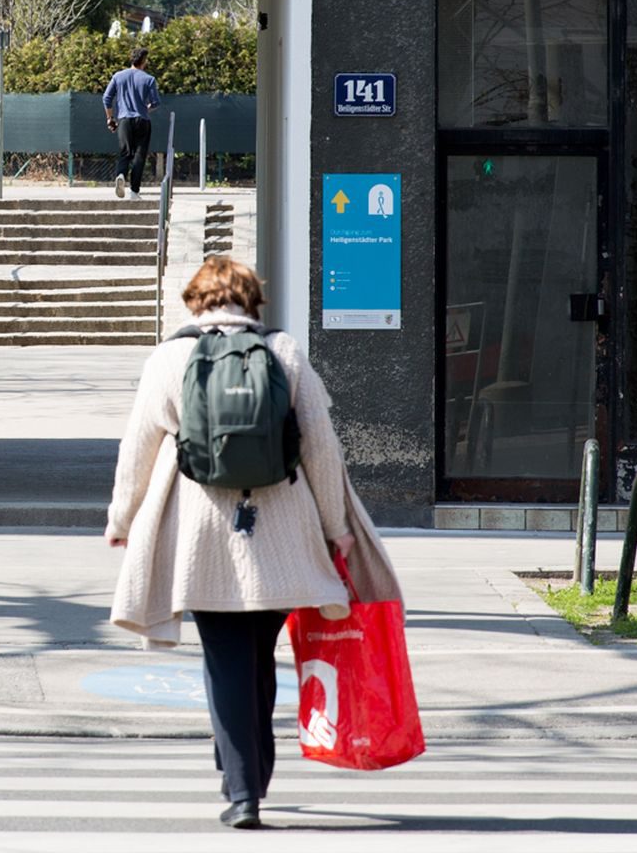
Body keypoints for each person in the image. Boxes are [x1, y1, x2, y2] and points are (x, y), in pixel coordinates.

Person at [105, 256, 402, 829]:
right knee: (258, 655)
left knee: (225, 661)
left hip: (202, 536)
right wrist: (337, 527)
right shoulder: (285, 352)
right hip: (283, 537)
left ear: (197, 301)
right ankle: (250, 768)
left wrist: (122, 518)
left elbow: (137, 448)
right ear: (250, 301)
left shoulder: (170, 357)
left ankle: (242, 789)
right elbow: (321, 450)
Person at [101, 47, 161, 197]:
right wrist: (146, 108)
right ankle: (134, 191)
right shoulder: (149, 79)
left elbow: (106, 98)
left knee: (125, 152)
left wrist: (110, 118)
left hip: (124, 120)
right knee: (139, 155)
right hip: (143, 121)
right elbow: (155, 102)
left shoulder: (118, 76)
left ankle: (121, 175)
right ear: (144, 61)